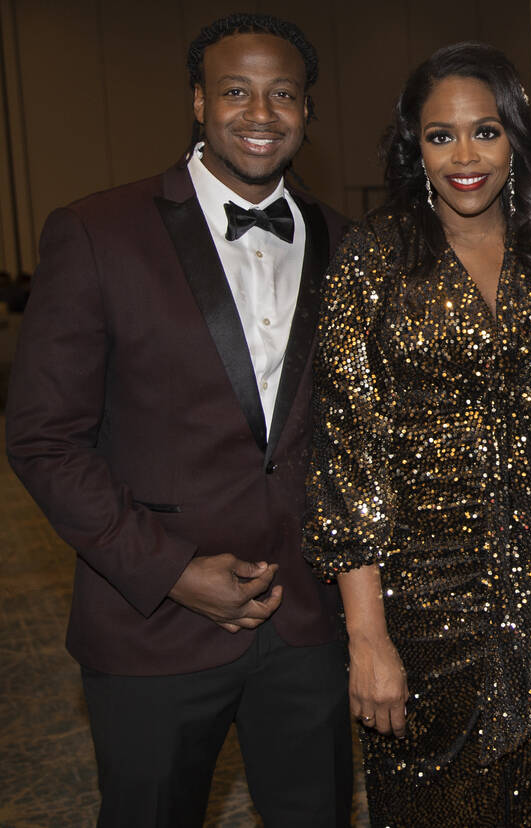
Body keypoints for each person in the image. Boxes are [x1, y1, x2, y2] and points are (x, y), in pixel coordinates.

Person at [4, 13, 352, 828]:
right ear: (198, 102)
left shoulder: (346, 242)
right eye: (236, 91)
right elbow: (44, 439)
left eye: (283, 94)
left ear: (308, 111)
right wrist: (170, 570)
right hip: (151, 621)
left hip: (306, 620)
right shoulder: (96, 233)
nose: (260, 114)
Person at [304, 42, 531, 827]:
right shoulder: (374, 257)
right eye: (441, 136)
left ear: (517, 141)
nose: (465, 156)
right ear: (415, 147)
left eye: (486, 132)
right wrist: (367, 637)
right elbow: (348, 456)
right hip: (425, 601)